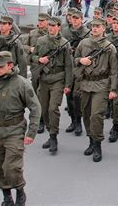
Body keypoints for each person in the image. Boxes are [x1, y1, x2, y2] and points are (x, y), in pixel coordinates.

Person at [0, 51, 41, 206]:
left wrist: (31, 132)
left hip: (15, 130)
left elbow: (35, 108)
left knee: (11, 167)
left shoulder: (22, 83)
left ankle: (20, 192)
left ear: (10, 65)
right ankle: (7, 195)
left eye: (1, 66)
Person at [74, 18, 118, 162]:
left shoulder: (109, 47)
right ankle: (91, 141)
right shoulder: (84, 43)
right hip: (86, 83)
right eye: (93, 26)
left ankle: (98, 144)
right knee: (86, 114)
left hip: (101, 84)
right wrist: (81, 61)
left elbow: (114, 71)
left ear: (104, 28)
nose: (94, 28)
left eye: (98, 26)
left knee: (96, 115)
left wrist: (113, 89)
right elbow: (74, 59)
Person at [31, 17, 73, 153]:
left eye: (53, 25)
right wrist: (39, 59)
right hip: (43, 79)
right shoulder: (41, 41)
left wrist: (68, 84)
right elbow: (30, 57)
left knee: (53, 108)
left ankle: (54, 136)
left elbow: (69, 66)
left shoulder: (65, 44)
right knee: (43, 109)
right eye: (49, 25)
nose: (50, 28)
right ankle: (50, 133)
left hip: (58, 79)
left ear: (59, 27)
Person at [24, 13, 49, 134]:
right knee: (35, 96)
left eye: (43, 21)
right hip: (35, 67)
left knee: (43, 96)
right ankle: (37, 119)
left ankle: (42, 121)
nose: (40, 23)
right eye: (39, 20)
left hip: (48, 69)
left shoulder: (51, 34)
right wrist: (29, 49)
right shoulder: (32, 33)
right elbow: (22, 45)